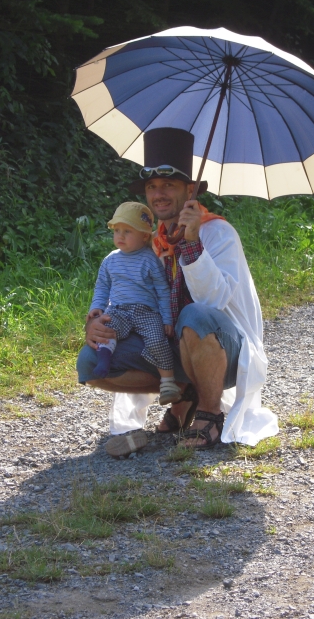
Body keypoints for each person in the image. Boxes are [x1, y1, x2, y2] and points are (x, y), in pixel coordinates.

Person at [77, 127, 278, 456]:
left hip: (226, 352)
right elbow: (133, 297)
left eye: (169, 185)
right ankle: (185, 394)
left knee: (194, 314)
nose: (159, 194)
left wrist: (192, 242)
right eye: (152, 187)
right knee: (90, 362)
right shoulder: (153, 241)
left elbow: (212, 302)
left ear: (190, 189)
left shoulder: (218, 233)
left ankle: (210, 413)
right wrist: (98, 322)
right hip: (174, 347)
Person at [88, 201, 182, 406]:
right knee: (106, 330)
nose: (120, 236)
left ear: (144, 236)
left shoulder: (150, 260)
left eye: (127, 231)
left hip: (146, 312)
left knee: (157, 341)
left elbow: (163, 290)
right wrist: (97, 307)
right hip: (118, 310)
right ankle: (104, 361)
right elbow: (102, 286)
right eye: (117, 231)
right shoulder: (110, 260)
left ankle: (168, 382)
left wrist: (167, 318)